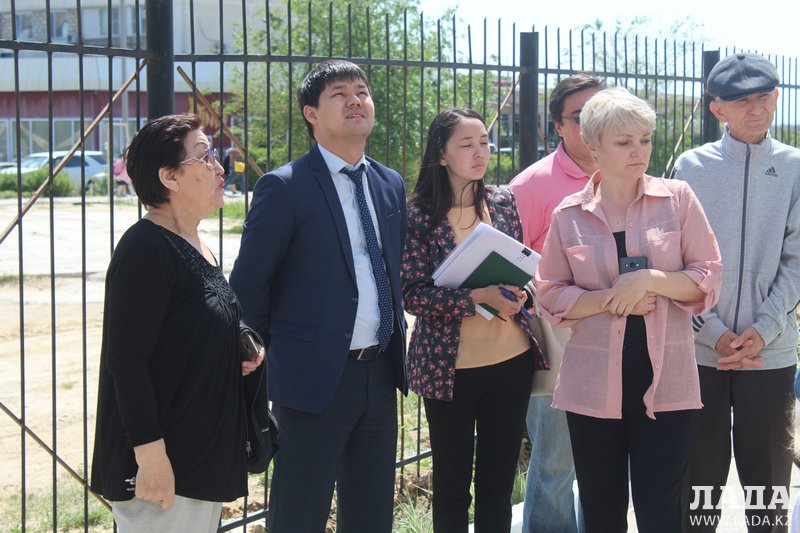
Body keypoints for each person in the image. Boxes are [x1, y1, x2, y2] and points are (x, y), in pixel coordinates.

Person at [229, 60, 408, 532]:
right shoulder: (285, 186)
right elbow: (249, 284)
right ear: (311, 113)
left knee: (371, 515)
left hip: (380, 374)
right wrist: (261, 360)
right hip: (311, 382)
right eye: (339, 94)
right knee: (299, 515)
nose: (355, 100)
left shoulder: (389, 183)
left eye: (361, 91)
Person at [534, 87, 722, 533]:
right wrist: (609, 299)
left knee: (661, 513)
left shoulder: (678, 199)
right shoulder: (568, 214)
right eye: (624, 142)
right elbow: (549, 292)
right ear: (593, 145)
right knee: (601, 512)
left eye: (645, 139)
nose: (640, 151)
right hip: (591, 387)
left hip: (667, 383)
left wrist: (650, 279)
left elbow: (709, 275)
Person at [90, 113, 264, 532]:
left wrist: (240, 340)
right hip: (166, 468)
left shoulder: (196, 242)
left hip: (198, 456)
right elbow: (126, 361)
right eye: (204, 156)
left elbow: (190, 321)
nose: (219, 167)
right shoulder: (145, 248)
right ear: (169, 177)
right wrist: (151, 459)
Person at [671, 53, 800, 532]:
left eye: (764, 96)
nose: (757, 108)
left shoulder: (794, 166)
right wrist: (713, 332)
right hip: (701, 353)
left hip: (770, 353)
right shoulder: (691, 167)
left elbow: (797, 260)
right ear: (717, 109)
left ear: (777, 97)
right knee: (698, 486)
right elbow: (674, 260)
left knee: (768, 491)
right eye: (742, 101)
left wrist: (763, 331)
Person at [402, 107, 544, 532]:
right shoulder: (417, 215)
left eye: (484, 142)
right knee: (452, 486)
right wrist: (475, 298)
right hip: (450, 370)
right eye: (467, 144)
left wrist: (521, 294)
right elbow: (412, 294)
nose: (480, 152)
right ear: (441, 154)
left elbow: (520, 268)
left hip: (511, 362)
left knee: (498, 485)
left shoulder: (502, 201)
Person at [509, 73, 605, 533]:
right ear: (558, 126)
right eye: (580, 116)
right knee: (554, 465)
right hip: (557, 345)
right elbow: (509, 265)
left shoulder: (626, 175)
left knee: (607, 463)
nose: (592, 125)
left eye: (600, 112)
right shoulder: (532, 185)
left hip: (620, 342)